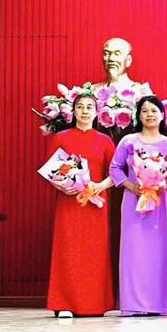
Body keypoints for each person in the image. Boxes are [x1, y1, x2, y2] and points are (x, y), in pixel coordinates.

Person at [44, 92, 116, 318]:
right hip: (69, 203)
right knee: (68, 251)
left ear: (97, 112)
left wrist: (100, 186)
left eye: (89, 107)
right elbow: (50, 170)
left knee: (95, 253)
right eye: (80, 107)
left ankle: (94, 304)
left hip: (96, 204)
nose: (85, 111)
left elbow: (116, 172)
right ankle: (64, 304)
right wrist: (61, 187)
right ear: (73, 112)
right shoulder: (61, 138)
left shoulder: (105, 141)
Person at [109, 96, 167, 316]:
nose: (150, 115)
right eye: (145, 111)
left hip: (159, 203)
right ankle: (132, 304)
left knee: (158, 252)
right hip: (133, 201)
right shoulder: (129, 141)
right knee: (133, 251)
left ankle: (156, 304)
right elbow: (115, 168)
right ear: (138, 115)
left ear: (162, 115)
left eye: (154, 110)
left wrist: (164, 184)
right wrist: (131, 185)